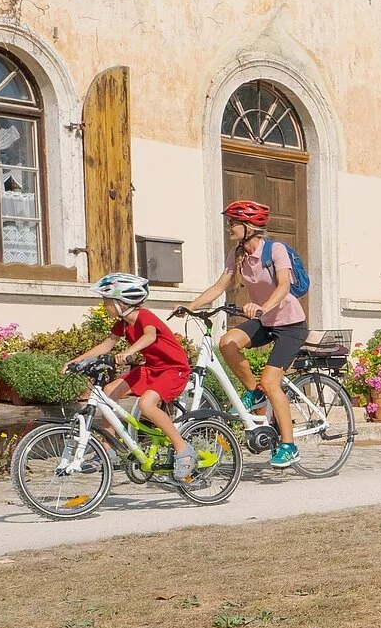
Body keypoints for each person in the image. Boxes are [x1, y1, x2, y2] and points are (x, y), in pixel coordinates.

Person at [181, 199, 306, 469]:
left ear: (249, 226)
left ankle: (289, 445)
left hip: (290, 324)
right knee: (227, 343)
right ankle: (254, 392)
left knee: (272, 381)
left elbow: (284, 286)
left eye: (233, 223)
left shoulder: (276, 250)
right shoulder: (237, 254)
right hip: (264, 321)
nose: (230, 227)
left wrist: (263, 307)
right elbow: (219, 286)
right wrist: (189, 306)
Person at [68, 273, 197, 481]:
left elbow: (150, 336)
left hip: (174, 369)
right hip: (152, 368)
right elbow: (107, 345)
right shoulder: (123, 324)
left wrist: (129, 352)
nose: (104, 305)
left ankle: (183, 448)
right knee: (107, 393)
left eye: (106, 301)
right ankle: (108, 448)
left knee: (147, 404)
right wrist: (75, 361)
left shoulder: (144, 316)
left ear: (122, 302)